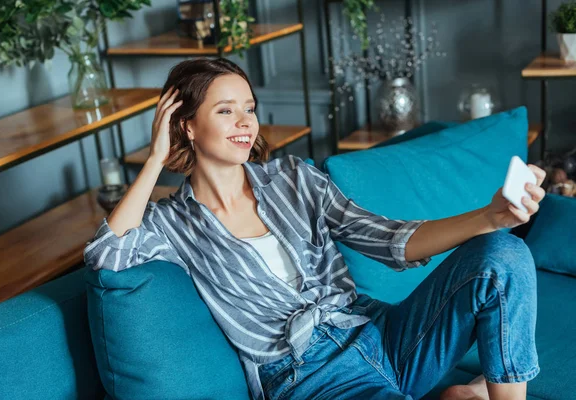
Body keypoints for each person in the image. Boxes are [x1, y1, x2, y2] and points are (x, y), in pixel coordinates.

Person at [83, 57, 546, 400]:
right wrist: (154, 160)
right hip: (308, 375)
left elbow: (387, 239)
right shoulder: (171, 224)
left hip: (379, 331)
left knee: (501, 254)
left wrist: (491, 217)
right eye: (226, 111)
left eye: (249, 108)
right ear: (186, 125)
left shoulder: (293, 178)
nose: (246, 122)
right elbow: (106, 253)